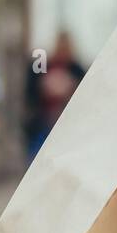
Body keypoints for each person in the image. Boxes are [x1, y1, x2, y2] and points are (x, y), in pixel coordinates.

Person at [24, 30, 86, 163]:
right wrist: (45, 87)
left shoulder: (75, 69)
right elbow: (31, 91)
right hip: (43, 125)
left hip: (67, 126)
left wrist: (69, 88)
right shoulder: (42, 65)